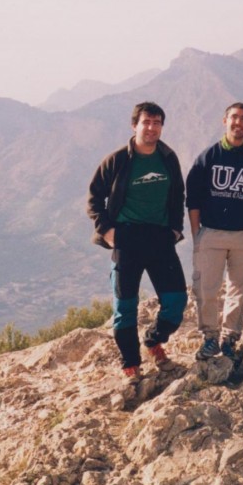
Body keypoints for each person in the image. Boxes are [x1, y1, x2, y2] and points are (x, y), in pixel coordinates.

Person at [87, 101, 188, 381]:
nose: (152, 128)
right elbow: (94, 198)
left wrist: (176, 229)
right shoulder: (118, 160)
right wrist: (107, 231)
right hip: (127, 238)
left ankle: (153, 340)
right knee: (125, 306)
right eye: (146, 122)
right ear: (135, 125)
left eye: (157, 123)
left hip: (160, 238)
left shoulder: (168, 157)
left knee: (177, 301)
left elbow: (178, 194)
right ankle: (131, 364)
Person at [186, 102, 243, 360]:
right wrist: (197, 236)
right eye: (234, 117)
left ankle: (229, 339)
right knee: (206, 289)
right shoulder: (208, 156)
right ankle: (210, 337)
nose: (238, 123)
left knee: (239, 291)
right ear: (224, 121)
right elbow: (193, 200)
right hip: (211, 234)